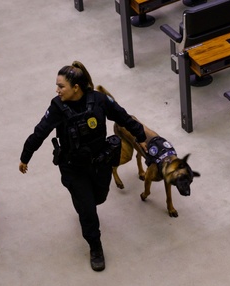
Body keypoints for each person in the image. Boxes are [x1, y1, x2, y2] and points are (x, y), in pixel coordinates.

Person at [19, 61, 147, 272]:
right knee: (88, 210)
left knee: (99, 198)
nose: (57, 90)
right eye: (57, 85)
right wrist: (26, 156)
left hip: (100, 162)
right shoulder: (57, 107)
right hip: (73, 167)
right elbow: (39, 132)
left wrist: (140, 135)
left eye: (61, 86)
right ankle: (95, 246)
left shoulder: (99, 101)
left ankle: (84, 204)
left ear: (75, 87)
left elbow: (123, 116)